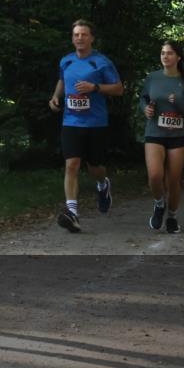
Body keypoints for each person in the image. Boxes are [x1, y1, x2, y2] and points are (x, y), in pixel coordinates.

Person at [48, 19, 124, 233]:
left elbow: (119, 89)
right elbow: (62, 80)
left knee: (95, 167)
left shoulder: (101, 62)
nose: (79, 38)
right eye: (76, 35)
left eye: (83, 34)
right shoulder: (66, 61)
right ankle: (72, 213)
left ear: (91, 38)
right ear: (72, 39)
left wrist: (95, 87)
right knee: (71, 164)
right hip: (71, 121)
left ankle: (103, 184)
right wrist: (55, 97)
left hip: (95, 122)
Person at [138, 41, 184, 234]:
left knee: (173, 180)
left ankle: (172, 216)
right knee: (155, 175)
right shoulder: (152, 78)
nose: (165, 56)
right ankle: (159, 203)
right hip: (154, 132)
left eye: (170, 53)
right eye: (163, 53)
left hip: (178, 135)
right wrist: (145, 109)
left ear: (178, 57)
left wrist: (179, 103)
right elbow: (143, 98)